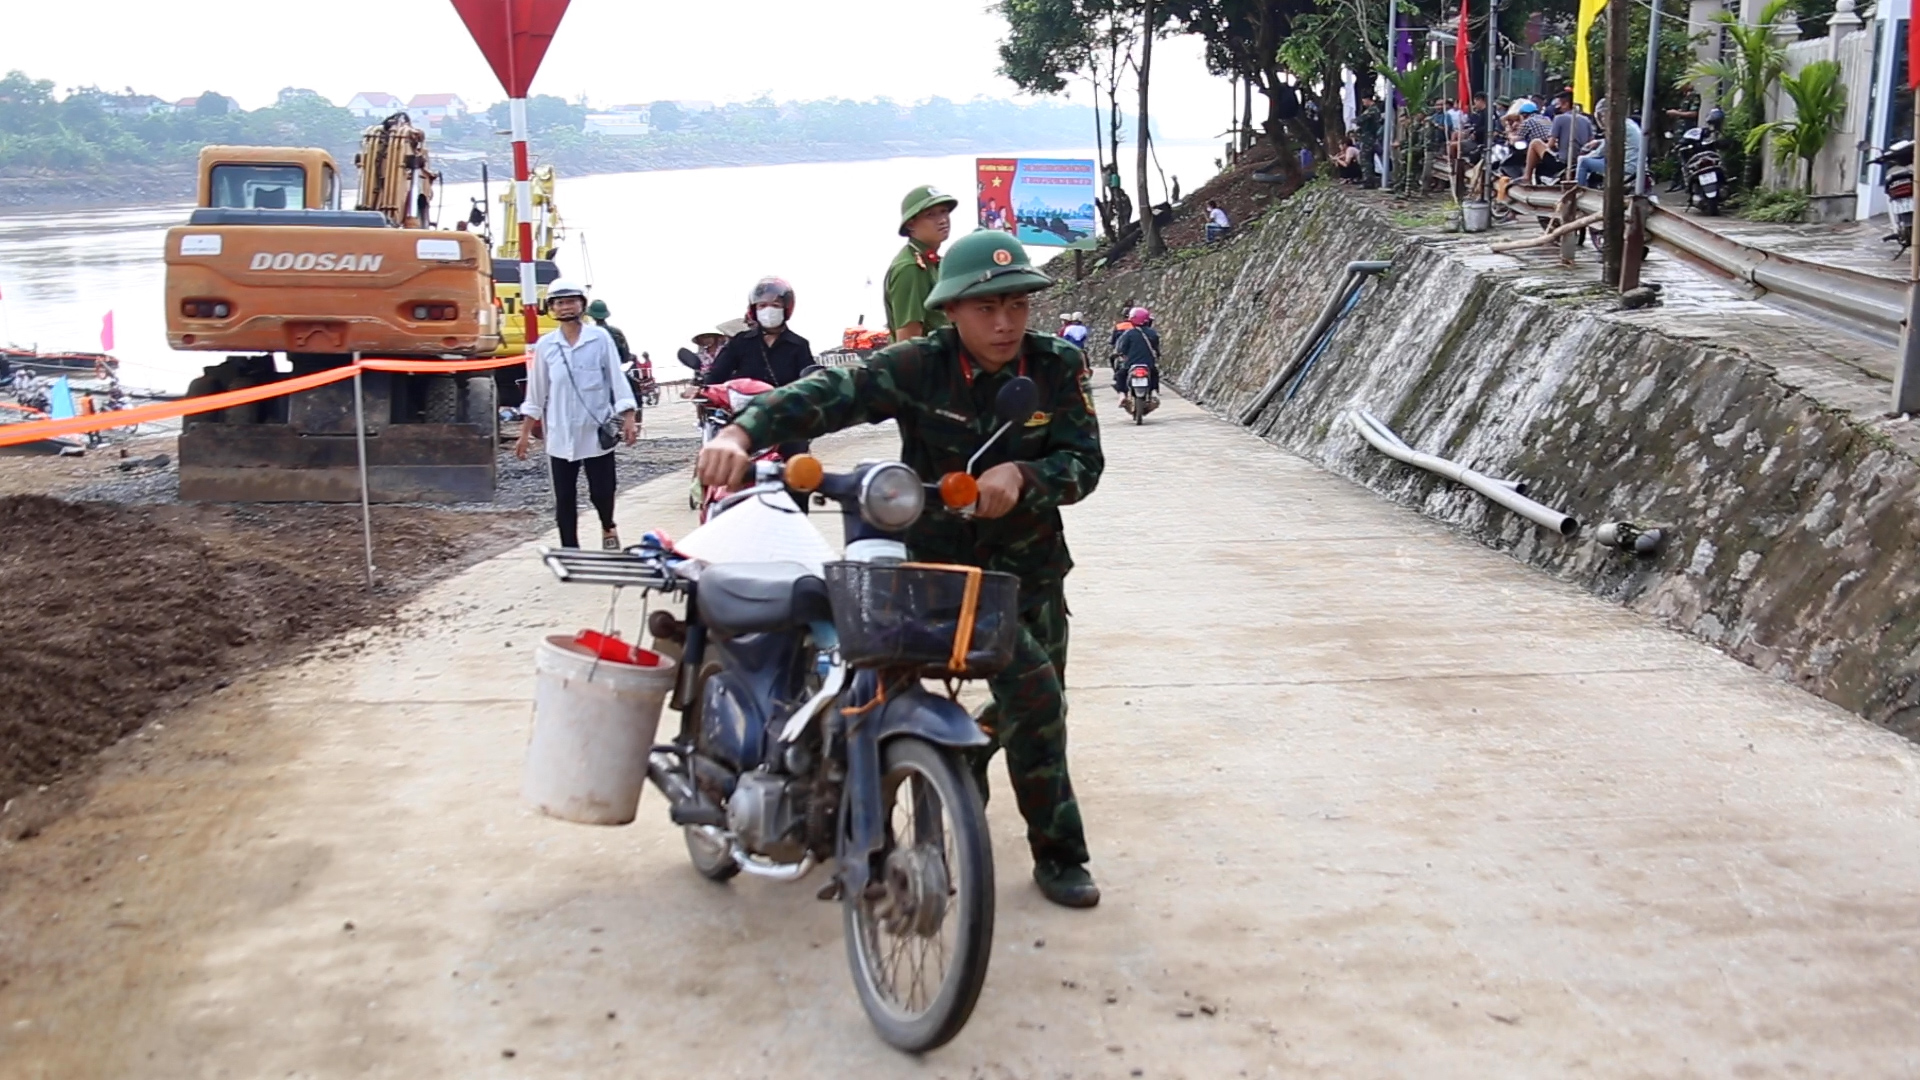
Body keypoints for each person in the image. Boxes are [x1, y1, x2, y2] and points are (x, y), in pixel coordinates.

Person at [694, 230, 1105, 908]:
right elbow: (832, 391)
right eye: (986, 308)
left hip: (1030, 569)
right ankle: (916, 821)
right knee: (1015, 695)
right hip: (939, 570)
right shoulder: (919, 365)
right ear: (951, 311)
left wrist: (1025, 474)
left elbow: (1084, 463)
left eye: (1017, 306)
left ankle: (1045, 843)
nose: (1005, 323)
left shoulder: (1057, 366)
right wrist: (744, 431)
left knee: (1039, 710)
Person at [515, 278, 639, 551]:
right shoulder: (546, 345)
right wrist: (524, 434)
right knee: (564, 497)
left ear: (582, 304)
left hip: (595, 431)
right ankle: (570, 549)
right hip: (560, 433)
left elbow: (616, 380)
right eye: (559, 302)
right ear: (552, 309)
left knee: (602, 492)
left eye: (570, 301)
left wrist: (628, 417)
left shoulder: (600, 338)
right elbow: (535, 393)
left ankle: (608, 524)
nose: (565, 307)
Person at [703, 277, 814, 462]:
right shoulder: (740, 342)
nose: (768, 310)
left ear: (786, 308)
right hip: (744, 419)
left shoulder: (799, 345)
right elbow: (717, 374)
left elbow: (810, 377)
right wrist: (701, 389)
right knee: (714, 462)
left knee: (799, 467)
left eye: (775, 304)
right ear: (754, 310)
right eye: (762, 305)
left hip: (784, 418)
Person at [884, 185, 959, 340]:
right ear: (910, 224)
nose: (943, 220)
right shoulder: (911, 268)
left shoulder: (932, 261)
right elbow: (907, 341)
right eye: (931, 215)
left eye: (944, 211)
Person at [1576, 98, 1643, 189]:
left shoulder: (1614, 126)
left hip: (1626, 166)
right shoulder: (1628, 123)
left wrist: (1586, 155)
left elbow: (1601, 151)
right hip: (1637, 164)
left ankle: (1578, 190)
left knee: (1583, 161)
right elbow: (1615, 141)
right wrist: (1598, 141)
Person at [1110, 305, 1160, 407]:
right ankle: (1154, 392)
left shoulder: (1128, 333)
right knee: (1154, 373)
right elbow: (1156, 347)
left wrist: (1122, 354)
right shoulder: (1152, 333)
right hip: (1148, 363)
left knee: (1120, 375)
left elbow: (1121, 348)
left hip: (1131, 363)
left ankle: (1122, 395)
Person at [586, 299, 634, 365]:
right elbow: (625, 357)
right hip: (615, 369)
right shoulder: (617, 332)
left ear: (592, 316)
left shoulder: (588, 334)